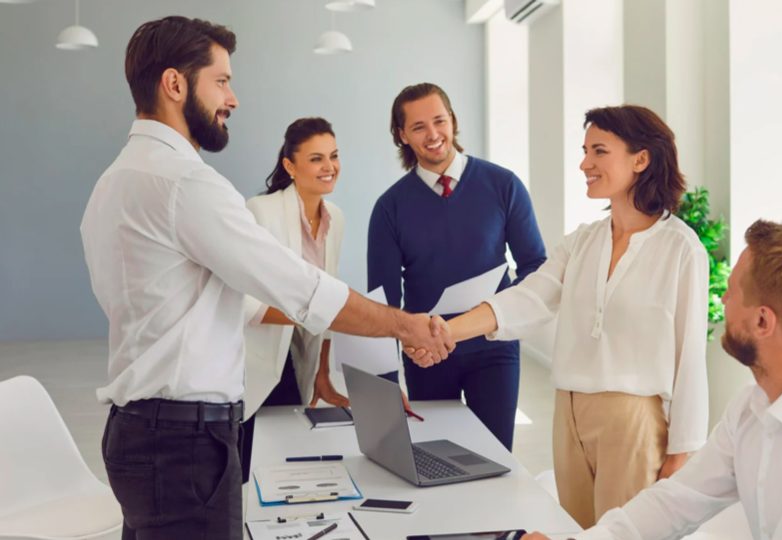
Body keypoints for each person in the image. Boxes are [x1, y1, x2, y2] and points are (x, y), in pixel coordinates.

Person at [80, 17, 452, 540]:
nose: (232, 99)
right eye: (222, 81)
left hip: (136, 432)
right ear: (174, 84)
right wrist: (403, 325)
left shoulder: (114, 181)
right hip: (184, 443)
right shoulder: (186, 184)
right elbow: (300, 288)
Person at [522, 220, 782, 540]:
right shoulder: (752, 406)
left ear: (762, 321)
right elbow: (676, 502)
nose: (722, 299)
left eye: (732, 292)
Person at [408, 105, 710, 528]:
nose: (585, 163)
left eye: (599, 151)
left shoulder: (681, 247)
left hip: (633, 419)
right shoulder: (583, 241)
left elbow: (690, 357)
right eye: (585, 150)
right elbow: (527, 298)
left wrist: (682, 454)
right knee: (577, 532)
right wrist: (443, 331)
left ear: (641, 159)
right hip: (568, 413)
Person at [368, 83, 547, 451]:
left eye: (439, 120)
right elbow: (383, 304)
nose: (433, 134)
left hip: (494, 350)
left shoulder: (504, 185)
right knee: (437, 457)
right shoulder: (390, 208)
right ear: (402, 135)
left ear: (453, 121)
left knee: (496, 459)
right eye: (418, 127)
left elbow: (534, 268)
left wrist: (505, 318)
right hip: (426, 356)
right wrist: (386, 382)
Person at [240, 117, 412, 483]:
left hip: (300, 356)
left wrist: (321, 374)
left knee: (286, 454)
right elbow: (246, 304)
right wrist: (317, 315)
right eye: (316, 158)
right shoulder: (261, 211)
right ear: (290, 165)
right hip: (259, 356)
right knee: (257, 458)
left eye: (333, 156)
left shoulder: (335, 217)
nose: (329, 167)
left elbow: (327, 290)